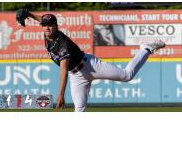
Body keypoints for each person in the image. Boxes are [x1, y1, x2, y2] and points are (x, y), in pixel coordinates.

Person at [16, 9, 166, 112]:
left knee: (127, 76)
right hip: (77, 77)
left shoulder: (63, 44)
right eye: (44, 25)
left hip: (90, 65)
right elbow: (41, 20)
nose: (47, 28)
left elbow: (63, 71)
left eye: (50, 25)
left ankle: (146, 49)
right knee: (79, 110)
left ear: (56, 26)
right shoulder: (47, 32)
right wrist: (28, 14)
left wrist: (61, 94)